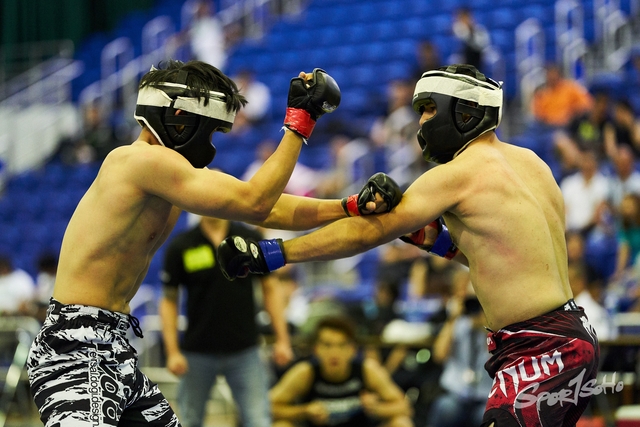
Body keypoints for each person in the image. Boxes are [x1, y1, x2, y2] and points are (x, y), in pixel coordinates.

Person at [220, 64, 601, 427]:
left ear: (463, 112)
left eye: (430, 109)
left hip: (539, 347)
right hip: (571, 334)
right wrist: (439, 243)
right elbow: (508, 258)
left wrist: (275, 254)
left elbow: (368, 232)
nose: (421, 122)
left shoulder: (457, 174)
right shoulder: (532, 163)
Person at [25, 59, 348, 427]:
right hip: (75, 349)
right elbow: (256, 202)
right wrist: (301, 120)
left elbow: (269, 209)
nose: (209, 146)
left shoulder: (170, 173)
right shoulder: (137, 161)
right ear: (179, 119)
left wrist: (347, 207)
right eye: (209, 131)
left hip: (112, 347)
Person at [159, 215, 293, 427]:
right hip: (197, 350)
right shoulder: (182, 245)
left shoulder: (249, 239)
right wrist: (172, 351)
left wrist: (283, 340)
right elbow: (169, 301)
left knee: (258, 420)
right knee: (189, 421)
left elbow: (270, 289)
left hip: (245, 349)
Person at [269, 315, 413, 427]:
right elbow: (268, 407)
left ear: (352, 349)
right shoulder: (305, 373)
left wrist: (377, 409)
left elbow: (405, 407)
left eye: (341, 345)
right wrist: (303, 411)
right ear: (316, 349)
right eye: (327, 345)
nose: (334, 353)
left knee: (401, 423)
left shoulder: (367, 370)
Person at [531, 63, 594, 128]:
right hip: (547, 127)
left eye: (553, 73)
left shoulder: (571, 88)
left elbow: (586, 103)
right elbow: (539, 115)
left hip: (568, 125)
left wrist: (571, 113)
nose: (551, 76)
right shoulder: (541, 93)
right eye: (549, 74)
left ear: (559, 74)